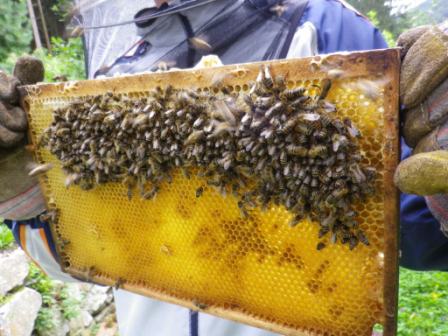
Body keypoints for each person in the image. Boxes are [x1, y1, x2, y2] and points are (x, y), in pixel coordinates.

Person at [1, 0, 447, 335]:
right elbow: (82, 247)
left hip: (309, 303)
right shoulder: (117, 64)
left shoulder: (330, 29)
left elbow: (416, 230)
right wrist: (25, 195)